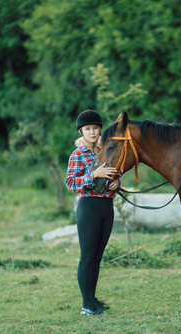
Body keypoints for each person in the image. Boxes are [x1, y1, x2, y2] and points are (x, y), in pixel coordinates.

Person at [65, 109, 120, 316]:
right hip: (89, 207)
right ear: (81, 131)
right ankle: (86, 304)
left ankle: (93, 299)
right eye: (87, 129)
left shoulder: (104, 151)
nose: (92, 132)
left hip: (107, 207)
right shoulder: (77, 154)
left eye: (95, 128)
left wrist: (116, 184)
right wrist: (93, 174)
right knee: (87, 256)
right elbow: (70, 183)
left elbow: (113, 176)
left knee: (97, 256)